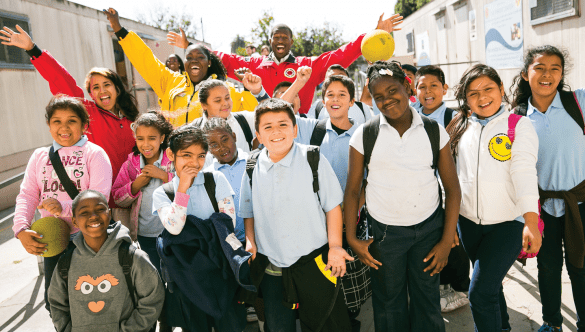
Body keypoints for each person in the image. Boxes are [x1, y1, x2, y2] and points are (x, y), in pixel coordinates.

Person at [344, 61, 461, 332]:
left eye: (392, 91)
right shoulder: (365, 134)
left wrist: (446, 240)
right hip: (384, 235)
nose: (387, 100)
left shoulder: (433, 130)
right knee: (388, 304)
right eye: (378, 96)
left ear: (407, 87)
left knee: (426, 301)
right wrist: (352, 238)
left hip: (429, 230)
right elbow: (352, 191)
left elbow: (452, 189)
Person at [240, 98, 354, 331]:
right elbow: (248, 211)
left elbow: (333, 206)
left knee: (326, 323)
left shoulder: (312, 158)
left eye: (283, 124)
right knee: (278, 325)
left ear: (294, 129)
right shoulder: (252, 165)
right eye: (267, 127)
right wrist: (250, 242)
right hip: (272, 265)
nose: (276, 132)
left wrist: (334, 247)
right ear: (258, 136)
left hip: (315, 261)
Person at [1, 24, 138, 214]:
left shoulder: (134, 120)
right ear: (90, 93)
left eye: (107, 84)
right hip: (104, 205)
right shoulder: (90, 114)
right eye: (95, 87)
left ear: (118, 88)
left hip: (136, 198)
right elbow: (62, 81)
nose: (102, 90)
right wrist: (33, 49)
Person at [446, 64, 542, 331]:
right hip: (467, 224)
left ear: (501, 89)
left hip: (507, 224)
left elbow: (524, 172)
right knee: (491, 286)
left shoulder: (519, 125)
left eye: (488, 89)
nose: (482, 97)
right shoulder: (459, 125)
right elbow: (450, 177)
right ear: (466, 99)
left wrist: (530, 221)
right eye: (473, 93)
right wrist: (450, 221)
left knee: (479, 292)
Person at [167, 14, 403, 114]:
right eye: (276, 37)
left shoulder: (307, 65)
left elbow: (340, 55)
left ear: (292, 41)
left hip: (302, 127)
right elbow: (221, 58)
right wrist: (190, 45)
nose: (280, 40)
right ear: (269, 41)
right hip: (266, 130)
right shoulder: (255, 64)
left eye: (284, 37)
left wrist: (369, 35)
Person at [282, 66, 368, 331]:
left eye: (342, 94)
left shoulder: (365, 133)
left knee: (349, 275)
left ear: (352, 102)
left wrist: (353, 210)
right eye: (329, 94)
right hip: (316, 218)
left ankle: (348, 319)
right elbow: (279, 108)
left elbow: (369, 178)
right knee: (321, 276)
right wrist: (298, 82)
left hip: (352, 216)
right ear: (322, 100)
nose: (335, 99)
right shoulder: (311, 128)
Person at [13, 95, 112, 313]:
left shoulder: (94, 154)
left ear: (84, 125)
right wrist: (21, 229)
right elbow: (27, 195)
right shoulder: (39, 156)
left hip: (88, 239)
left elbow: (99, 198)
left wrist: (63, 207)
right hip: (53, 239)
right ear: (49, 126)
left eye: (72, 121)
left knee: (94, 302)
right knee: (57, 303)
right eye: (57, 121)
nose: (64, 127)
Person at [510, 46, 585, 332]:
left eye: (555, 68)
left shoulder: (577, 102)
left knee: (581, 268)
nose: (547, 74)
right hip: (540, 209)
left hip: (579, 203)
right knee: (548, 268)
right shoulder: (516, 118)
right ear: (525, 73)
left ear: (562, 74)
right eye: (539, 67)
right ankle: (551, 322)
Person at [152, 125, 246, 331]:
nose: (194, 163)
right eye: (186, 155)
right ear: (170, 154)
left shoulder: (216, 180)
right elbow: (175, 229)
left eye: (201, 156)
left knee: (230, 324)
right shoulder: (163, 193)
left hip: (220, 270)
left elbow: (226, 221)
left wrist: (194, 232)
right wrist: (183, 187)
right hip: (187, 276)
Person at [103, 8, 259, 127]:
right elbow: (145, 59)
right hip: (175, 157)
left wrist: (248, 90)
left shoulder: (224, 89)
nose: (194, 62)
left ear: (209, 62)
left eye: (200, 58)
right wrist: (119, 30)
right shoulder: (170, 81)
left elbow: (249, 115)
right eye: (189, 58)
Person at [48, 190, 165, 332]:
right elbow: (56, 305)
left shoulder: (133, 257)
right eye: (84, 213)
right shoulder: (66, 263)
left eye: (100, 209)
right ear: (74, 221)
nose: (93, 216)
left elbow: (152, 299)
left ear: (109, 214)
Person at [414, 65, 470, 312]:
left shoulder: (455, 119)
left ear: (444, 88)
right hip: (422, 195)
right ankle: (441, 286)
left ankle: (461, 290)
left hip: (450, 194)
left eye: (433, 86)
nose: (428, 92)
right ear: (414, 90)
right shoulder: (410, 116)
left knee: (454, 241)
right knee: (432, 243)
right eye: (422, 87)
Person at [192, 78, 258, 153]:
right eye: (218, 100)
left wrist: (258, 92)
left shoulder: (245, 120)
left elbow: (271, 114)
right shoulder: (194, 130)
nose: (225, 103)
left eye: (227, 98)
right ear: (203, 105)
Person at [306, 64, 374, 126]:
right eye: (331, 78)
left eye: (340, 77)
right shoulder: (317, 107)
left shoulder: (362, 107)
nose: (336, 82)